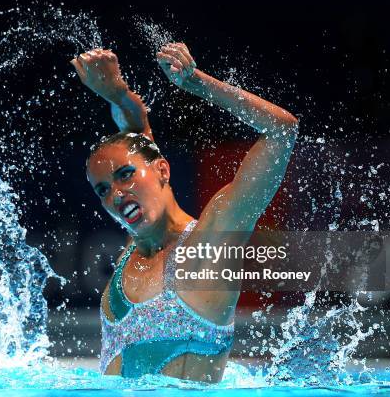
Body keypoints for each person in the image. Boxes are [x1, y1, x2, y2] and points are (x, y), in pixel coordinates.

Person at [70, 43, 298, 382]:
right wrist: (119, 96)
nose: (117, 195)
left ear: (163, 170)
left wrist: (197, 84)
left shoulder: (211, 243)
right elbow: (138, 136)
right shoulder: (135, 244)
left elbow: (282, 131)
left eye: (125, 175)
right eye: (103, 190)